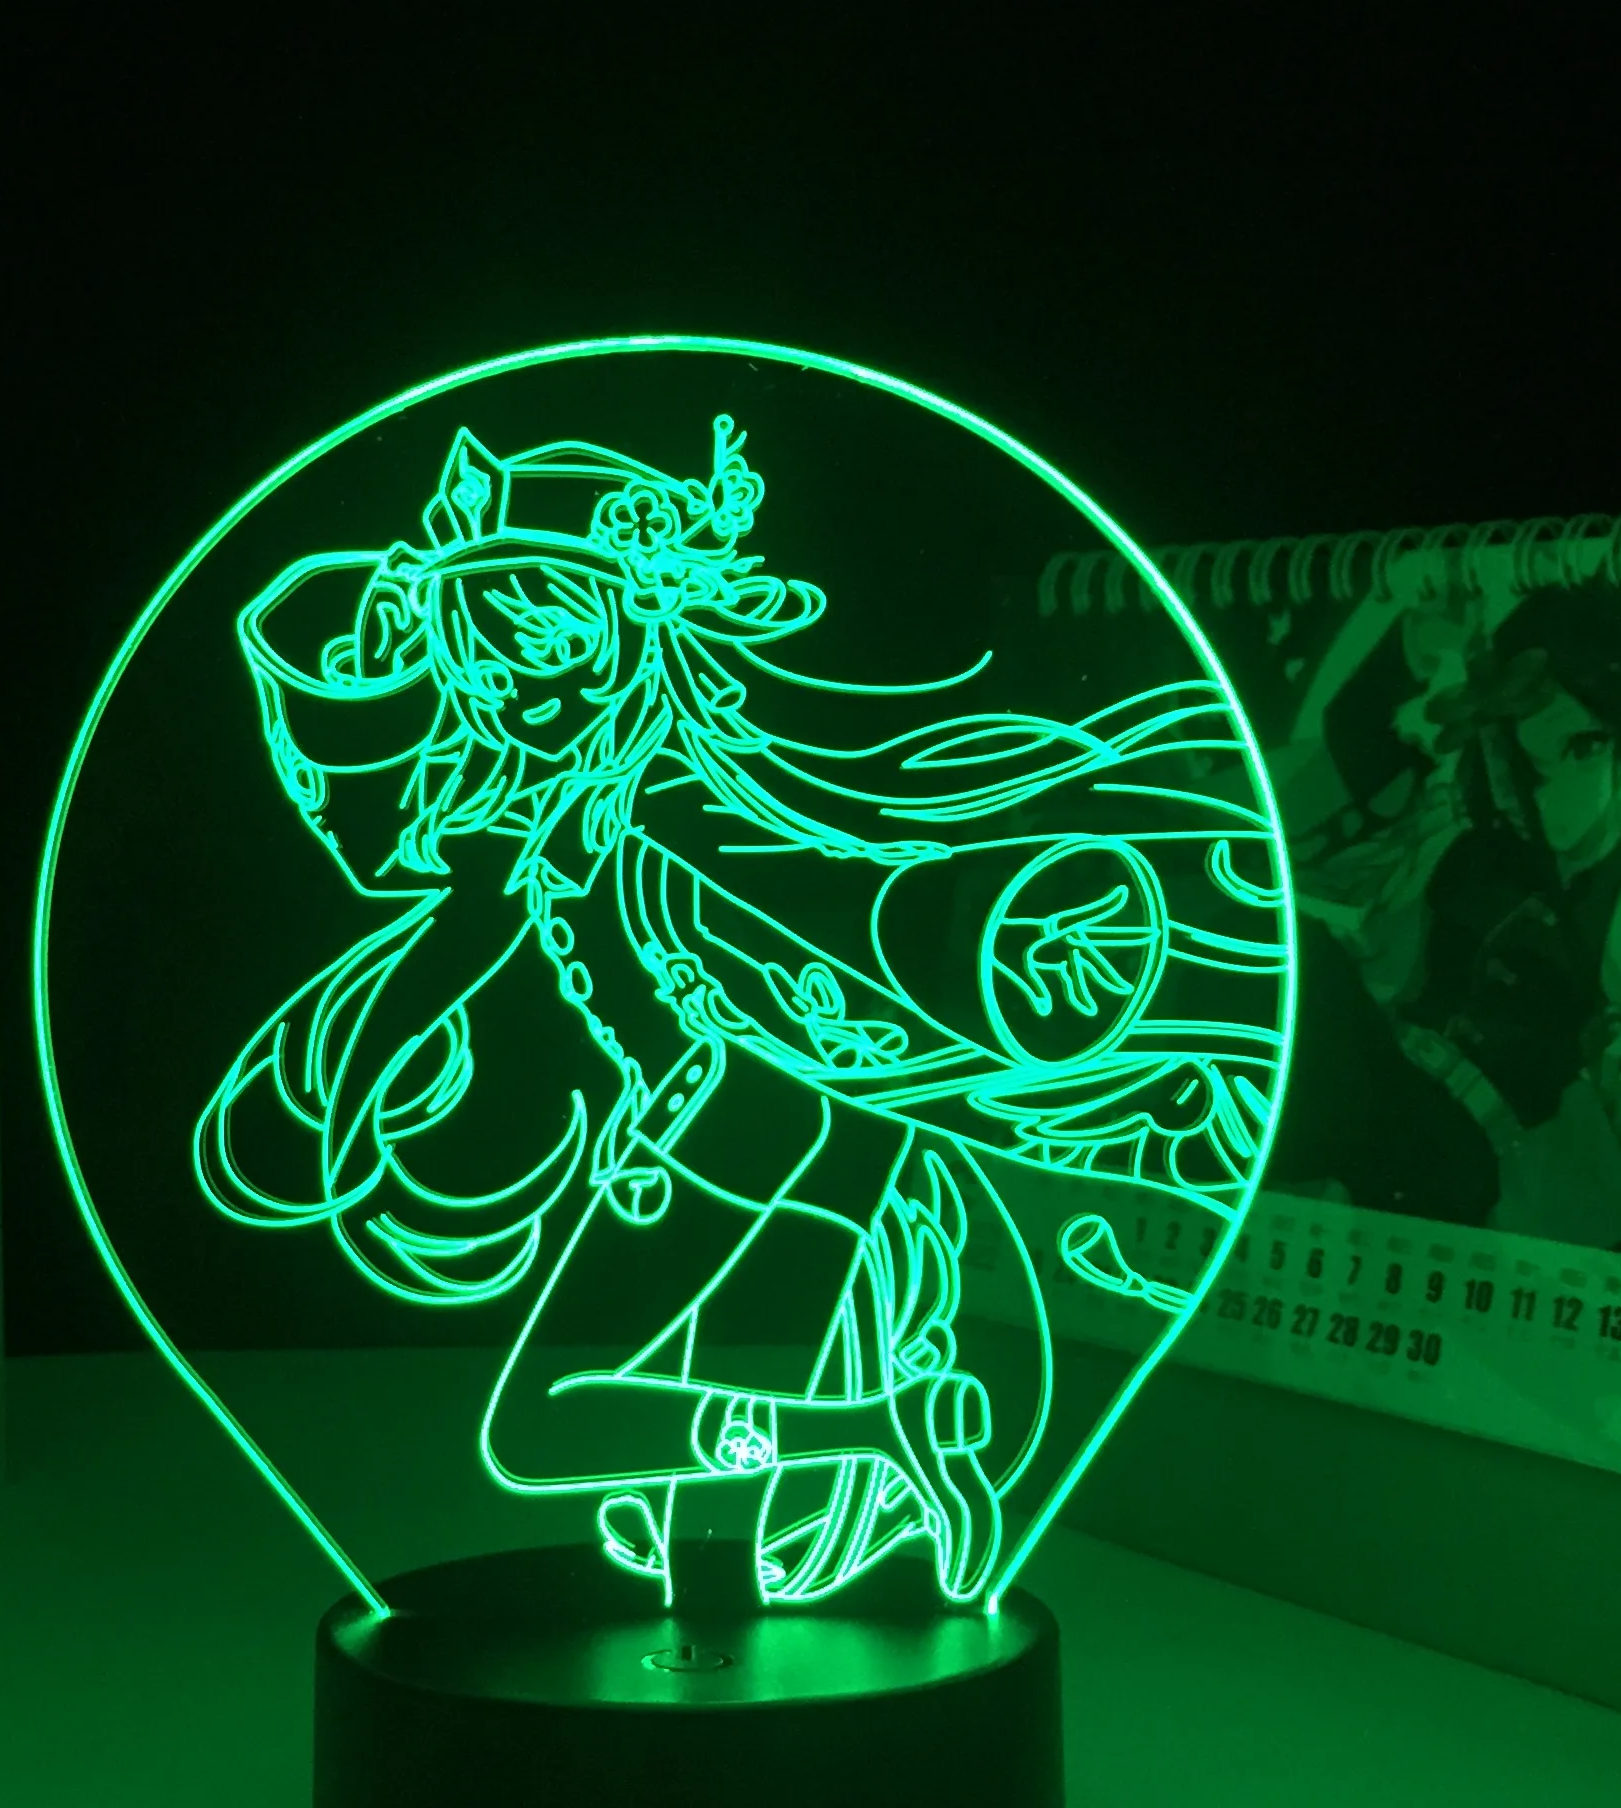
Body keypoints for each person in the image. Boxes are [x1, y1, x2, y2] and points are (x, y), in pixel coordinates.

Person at [194, 416, 1288, 1607]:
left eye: (550, 640)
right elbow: (452, 925)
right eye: (485, 653)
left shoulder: (676, 813)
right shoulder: (580, 811)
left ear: (641, 628)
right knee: (694, 1525)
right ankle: (866, 1446)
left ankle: (878, 1428)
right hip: (788, 1127)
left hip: (751, 1126)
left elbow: (863, 942)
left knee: (541, 1432)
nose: (518, 690)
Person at [1287, 579, 1621, 1263]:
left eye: (1579, 749)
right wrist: (1410, 653)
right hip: (1347, 1112)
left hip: (1483, 1200)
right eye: (1518, 760)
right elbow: (1309, 837)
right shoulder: (1451, 831)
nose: (1538, 797)